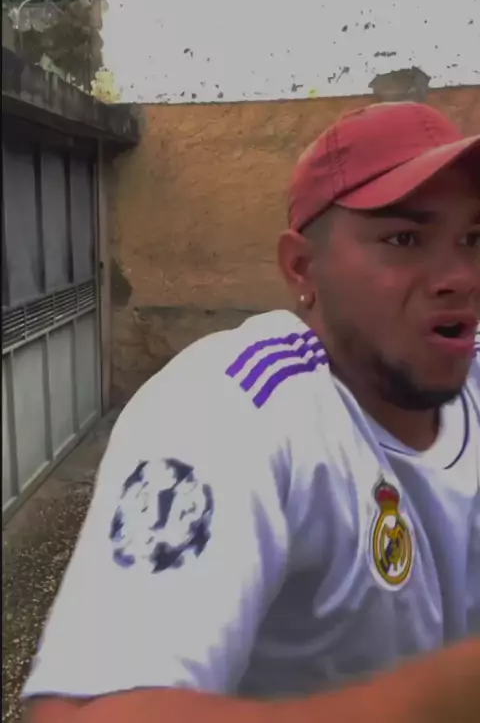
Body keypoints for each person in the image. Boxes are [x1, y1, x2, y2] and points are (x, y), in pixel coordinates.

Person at [24, 101, 480, 723]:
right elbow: (84, 713)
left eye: (473, 239)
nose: (460, 276)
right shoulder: (232, 409)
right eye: (404, 239)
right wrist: (435, 701)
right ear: (302, 267)